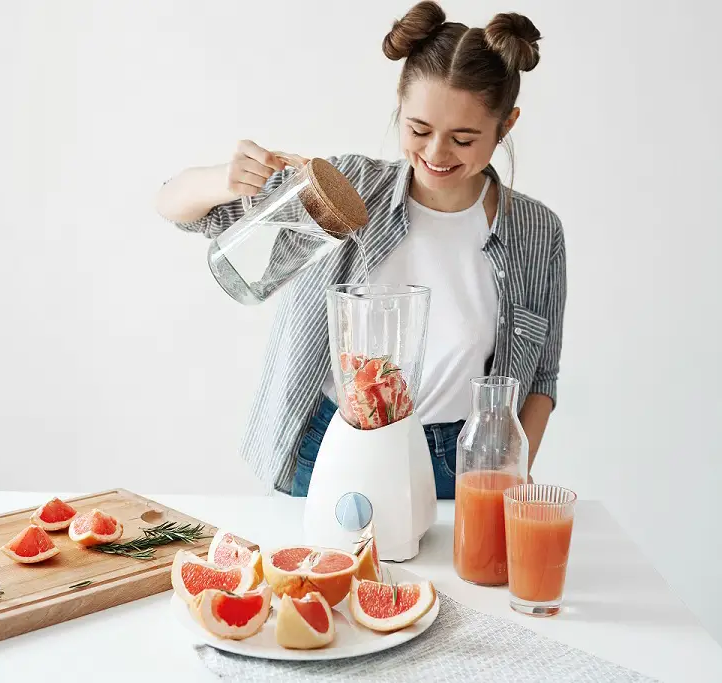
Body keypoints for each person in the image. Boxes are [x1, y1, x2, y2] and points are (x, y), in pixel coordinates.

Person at [155, 1, 567, 499]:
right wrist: (225, 178)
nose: (435, 154)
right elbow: (175, 206)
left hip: (455, 463)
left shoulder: (537, 233)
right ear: (399, 102)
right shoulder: (346, 187)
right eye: (419, 130)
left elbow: (542, 376)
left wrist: (510, 475)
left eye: (463, 139)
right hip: (325, 442)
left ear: (506, 125)